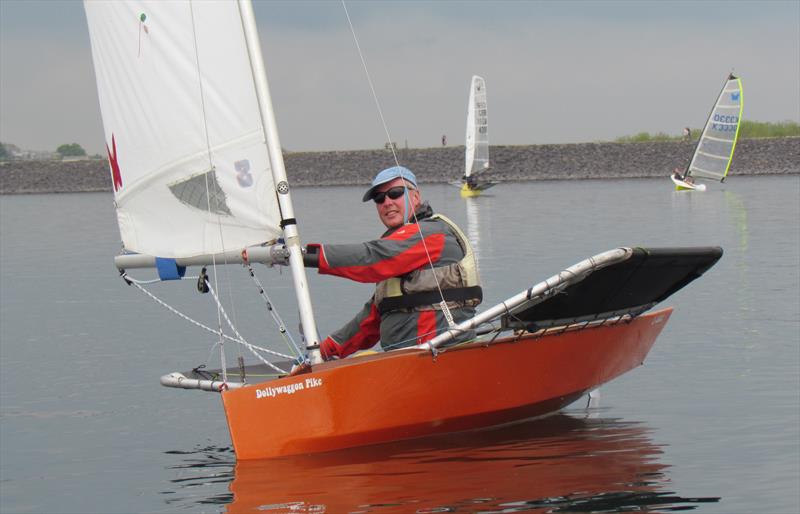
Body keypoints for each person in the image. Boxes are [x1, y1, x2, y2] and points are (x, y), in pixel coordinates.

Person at [302, 165, 482, 360]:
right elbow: (370, 320)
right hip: (404, 362)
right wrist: (325, 350)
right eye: (379, 198)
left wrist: (305, 255)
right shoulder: (396, 249)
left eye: (395, 193)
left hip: (440, 357)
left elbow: (374, 258)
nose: (386, 202)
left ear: (415, 197)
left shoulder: (431, 233)